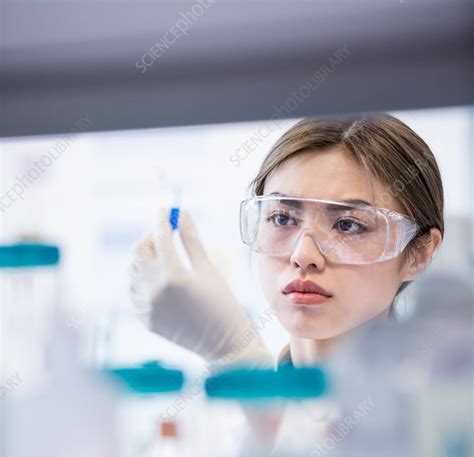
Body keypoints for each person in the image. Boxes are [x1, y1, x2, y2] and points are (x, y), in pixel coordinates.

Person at [129, 114, 443, 369]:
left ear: (419, 253)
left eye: (348, 225)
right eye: (282, 219)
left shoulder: (452, 407)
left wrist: (238, 359)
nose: (303, 255)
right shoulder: (210, 418)